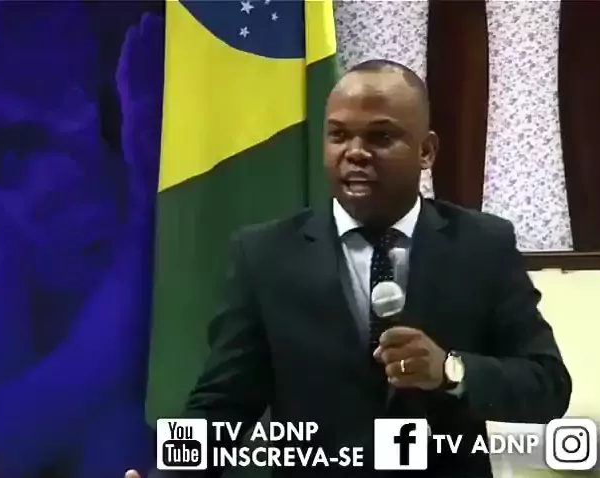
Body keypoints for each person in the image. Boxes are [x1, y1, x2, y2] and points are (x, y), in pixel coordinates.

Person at [127, 59, 571, 478]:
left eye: (381, 137)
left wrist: (450, 371)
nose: (355, 153)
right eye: (339, 135)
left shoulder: (482, 245)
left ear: (426, 151)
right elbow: (222, 402)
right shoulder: (265, 255)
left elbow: (548, 386)